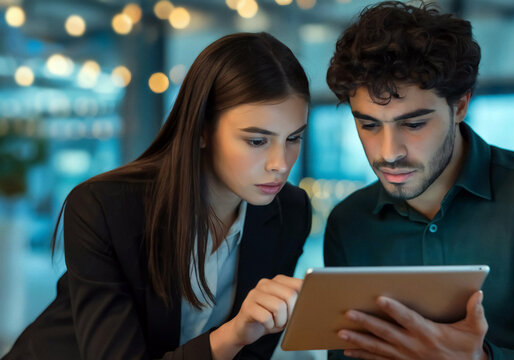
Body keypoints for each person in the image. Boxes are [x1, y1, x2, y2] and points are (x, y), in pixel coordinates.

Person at [323, 2, 514, 359]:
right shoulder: (349, 222)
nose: (389, 152)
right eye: (369, 125)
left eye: (414, 124)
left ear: (459, 106)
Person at [4, 32, 311, 360]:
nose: (280, 164)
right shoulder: (104, 208)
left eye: (293, 138)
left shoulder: (289, 212)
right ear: (202, 129)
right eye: (256, 141)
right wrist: (232, 335)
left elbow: (253, 353)